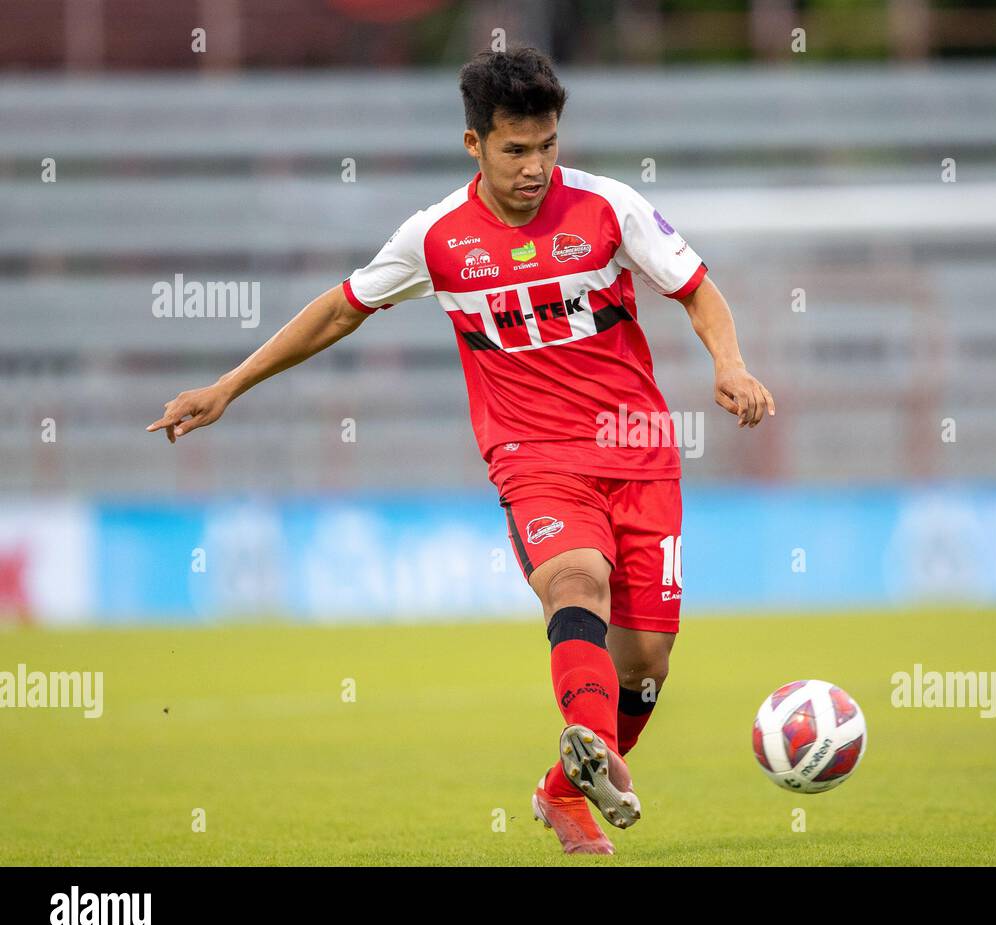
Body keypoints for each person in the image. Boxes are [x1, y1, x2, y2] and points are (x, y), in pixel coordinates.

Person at [147, 46, 775, 853]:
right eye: (517, 149)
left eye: (548, 145)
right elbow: (339, 311)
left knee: (644, 666)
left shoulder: (607, 208)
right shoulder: (436, 236)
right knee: (575, 582)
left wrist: (730, 365)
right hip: (535, 459)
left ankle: (565, 788)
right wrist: (227, 386)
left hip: (640, 453)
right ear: (474, 143)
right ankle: (592, 753)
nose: (537, 167)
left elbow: (697, 291)